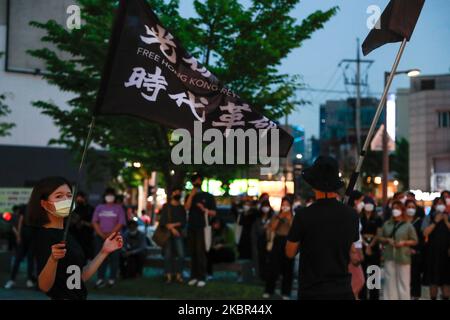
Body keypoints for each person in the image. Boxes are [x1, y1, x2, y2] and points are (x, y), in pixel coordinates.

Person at [27, 177, 123, 300]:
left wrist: (104, 252)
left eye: (69, 195)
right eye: (59, 196)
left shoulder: (67, 234)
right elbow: (44, 286)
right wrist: (53, 260)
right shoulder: (44, 236)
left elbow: (78, 276)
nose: (66, 200)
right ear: (44, 204)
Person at [286, 156, 359, 300]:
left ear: (313, 185)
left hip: (312, 291)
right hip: (342, 291)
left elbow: (290, 252)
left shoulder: (303, 215)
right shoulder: (351, 215)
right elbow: (353, 253)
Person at [379, 200, 418, 300]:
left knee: (403, 283)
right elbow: (380, 237)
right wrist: (387, 240)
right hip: (389, 255)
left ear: (402, 210)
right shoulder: (387, 224)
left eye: (397, 208)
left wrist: (404, 243)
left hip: (403, 256)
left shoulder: (408, 225)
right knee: (389, 282)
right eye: (393, 209)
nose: (395, 211)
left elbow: (414, 240)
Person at [184, 174, 217, 288]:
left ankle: (202, 276)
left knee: (200, 252)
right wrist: (192, 196)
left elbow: (214, 213)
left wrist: (204, 210)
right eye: (195, 181)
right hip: (191, 227)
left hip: (202, 227)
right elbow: (186, 208)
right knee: (193, 252)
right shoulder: (190, 195)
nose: (197, 183)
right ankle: (193, 276)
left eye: (199, 181)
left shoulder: (208, 196)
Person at [92, 187, 126, 288]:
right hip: (100, 237)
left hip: (115, 237)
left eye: (111, 195)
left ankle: (112, 279)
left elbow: (121, 223)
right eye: (108, 194)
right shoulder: (99, 207)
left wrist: (111, 234)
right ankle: (100, 278)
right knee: (100, 258)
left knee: (114, 259)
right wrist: (102, 234)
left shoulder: (118, 208)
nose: (109, 197)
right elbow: (94, 222)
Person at [263, 197, 294, 300]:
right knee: (273, 267)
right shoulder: (276, 216)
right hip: (277, 241)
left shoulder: (294, 216)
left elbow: (294, 229)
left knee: (288, 269)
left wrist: (289, 218)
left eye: (287, 205)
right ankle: (269, 290)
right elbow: (272, 228)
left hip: (289, 242)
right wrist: (280, 217)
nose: (285, 207)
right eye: (283, 204)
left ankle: (286, 292)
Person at [421, 197, 450, 300]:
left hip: (446, 254)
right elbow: (425, 233)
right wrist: (436, 222)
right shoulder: (429, 217)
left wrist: (446, 222)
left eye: (442, 203)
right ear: (434, 206)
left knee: (446, 281)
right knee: (433, 280)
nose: (440, 205)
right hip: (432, 253)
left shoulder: (448, 217)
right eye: (438, 203)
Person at [4, 204, 37, 289]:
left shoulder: (38, 209)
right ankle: (12, 280)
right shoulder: (25, 208)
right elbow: (20, 221)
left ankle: (29, 280)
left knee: (30, 260)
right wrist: (18, 236)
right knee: (17, 259)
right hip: (23, 238)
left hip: (33, 239)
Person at [159, 187, 186, 284]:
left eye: (179, 192)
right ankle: (168, 276)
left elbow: (183, 221)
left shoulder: (181, 207)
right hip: (167, 235)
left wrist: (173, 225)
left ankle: (179, 275)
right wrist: (172, 228)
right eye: (176, 192)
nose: (178, 193)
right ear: (171, 194)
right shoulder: (166, 206)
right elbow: (163, 221)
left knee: (181, 254)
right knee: (167, 255)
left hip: (178, 234)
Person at [359, 196, 383, 300]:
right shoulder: (359, 218)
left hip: (374, 247)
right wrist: (365, 244)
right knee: (362, 274)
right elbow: (358, 234)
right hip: (362, 247)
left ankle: (374, 296)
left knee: (374, 272)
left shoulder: (378, 218)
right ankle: (362, 296)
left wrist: (370, 245)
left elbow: (379, 234)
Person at [404, 199, 425, 300]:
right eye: (409, 207)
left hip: (416, 253)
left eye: (413, 207)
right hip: (402, 253)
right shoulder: (401, 221)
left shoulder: (419, 222)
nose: (411, 209)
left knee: (415, 277)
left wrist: (416, 250)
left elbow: (422, 239)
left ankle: (415, 296)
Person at [347, 191, 365, 300]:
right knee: (358, 281)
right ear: (355, 201)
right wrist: (353, 252)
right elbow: (349, 235)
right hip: (352, 249)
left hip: (356, 248)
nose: (362, 203)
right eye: (361, 201)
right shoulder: (351, 214)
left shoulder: (354, 214)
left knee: (355, 282)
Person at [251, 199, 274, 281]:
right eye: (264, 206)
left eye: (267, 206)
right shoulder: (257, 219)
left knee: (269, 260)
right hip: (260, 242)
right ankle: (261, 276)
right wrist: (263, 228)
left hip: (270, 242)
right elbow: (255, 232)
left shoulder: (273, 218)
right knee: (260, 260)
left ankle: (269, 276)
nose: (265, 208)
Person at [69, 191, 95, 263]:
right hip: (76, 238)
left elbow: (94, 224)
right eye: (77, 198)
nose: (79, 199)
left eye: (81, 198)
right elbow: (69, 223)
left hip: (87, 239)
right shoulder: (74, 209)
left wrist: (83, 223)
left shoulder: (90, 209)